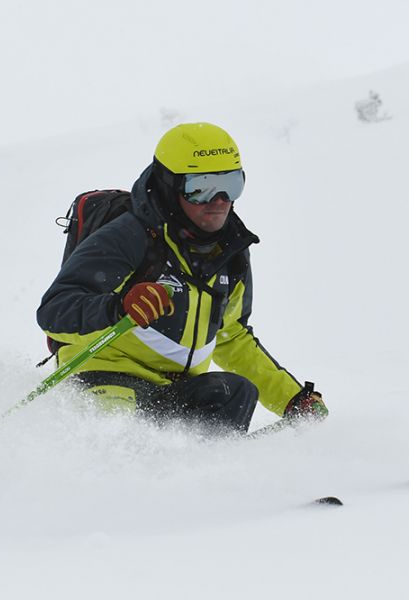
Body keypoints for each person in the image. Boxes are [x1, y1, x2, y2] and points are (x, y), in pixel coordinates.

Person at [36, 122, 327, 434]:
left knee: (236, 392)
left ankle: (203, 474)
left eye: (231, 184)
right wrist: (119, 307)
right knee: (119, 424)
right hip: (107, 377)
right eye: (201, 187)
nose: (220, 200)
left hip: (174, 390)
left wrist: (292, 399)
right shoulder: (129, 236)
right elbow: (55, 310)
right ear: (169, 186)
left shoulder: (229, 254)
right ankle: (112, 476)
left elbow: (232, 337)